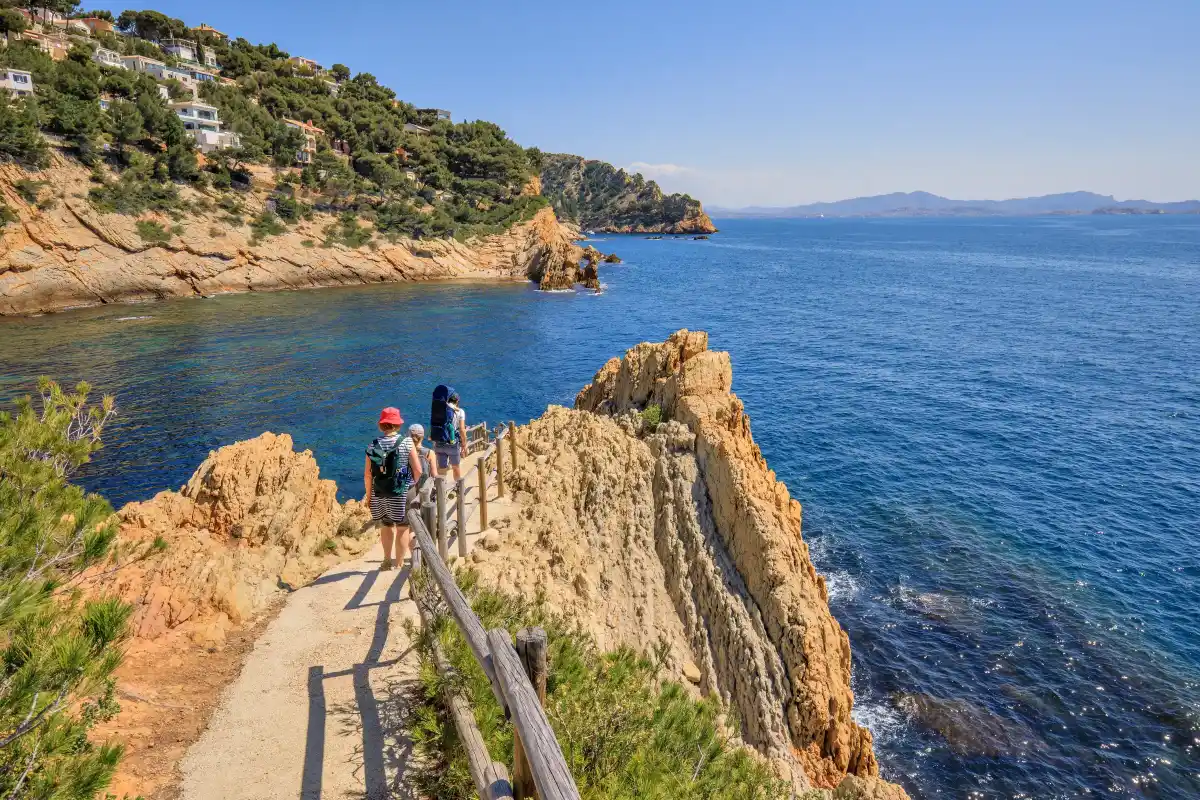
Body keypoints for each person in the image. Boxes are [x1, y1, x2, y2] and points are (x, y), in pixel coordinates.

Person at [363, 407, 421, 571]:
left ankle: (387, 560)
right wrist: (411, 484)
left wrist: (369, 496)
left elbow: (367, 475)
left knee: (386, 527)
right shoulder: (407, 442)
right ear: (397, 425)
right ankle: (399, 562)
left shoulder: (373, 445)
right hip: (402, 491)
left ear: (381, 425)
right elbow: (418, 470)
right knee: (402, 528)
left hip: (379, 492)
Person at [430, 386, 469, 481]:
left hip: (439, 442)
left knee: (442, 469)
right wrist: (464, 444)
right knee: (456, 467)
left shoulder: (439, 410)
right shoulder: (460, 411)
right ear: (457, 401)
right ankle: (457, 488)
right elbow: (462, 430)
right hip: (452, 444)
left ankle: (442, 490)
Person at [407, 423, 438, 508]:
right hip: (424, 490)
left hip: (408, 490)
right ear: (422, 436)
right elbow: (434, 474)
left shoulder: (404, 452)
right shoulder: (429, 453)